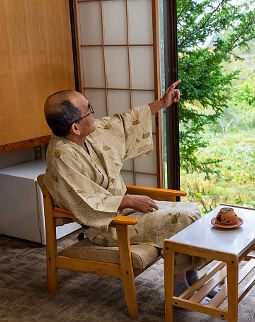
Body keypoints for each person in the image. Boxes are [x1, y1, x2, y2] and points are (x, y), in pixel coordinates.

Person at [42, 81, 214, 297]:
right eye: (89, 110)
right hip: (108, 225)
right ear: (75, 127)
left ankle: (189, 275)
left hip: (124, 209)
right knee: (182, 219)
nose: (94, 114)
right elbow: (86, 201)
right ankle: (178, 284)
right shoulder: (61, 157)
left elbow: (122, 122)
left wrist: (162, 103)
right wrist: (129, 201)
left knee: (191, 210)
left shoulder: (85, 134)